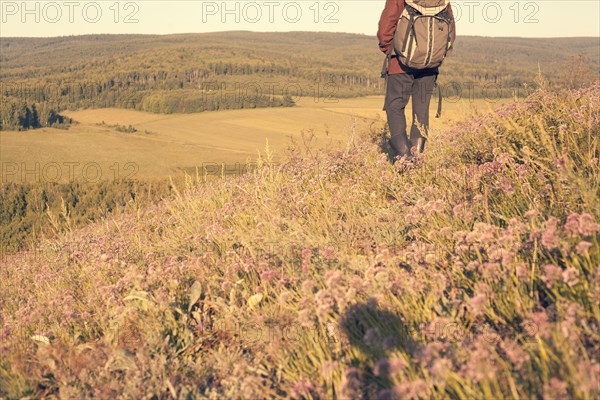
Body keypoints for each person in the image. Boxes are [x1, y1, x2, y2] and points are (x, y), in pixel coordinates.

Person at [377, 0, 456, 160]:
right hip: (430, 65)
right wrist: (435, 56)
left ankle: (404, 158)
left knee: (395, 106)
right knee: (421, 111)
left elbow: (387, 23)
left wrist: (392, 50)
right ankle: (418, 157)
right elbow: (451, 30)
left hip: (400, 63)